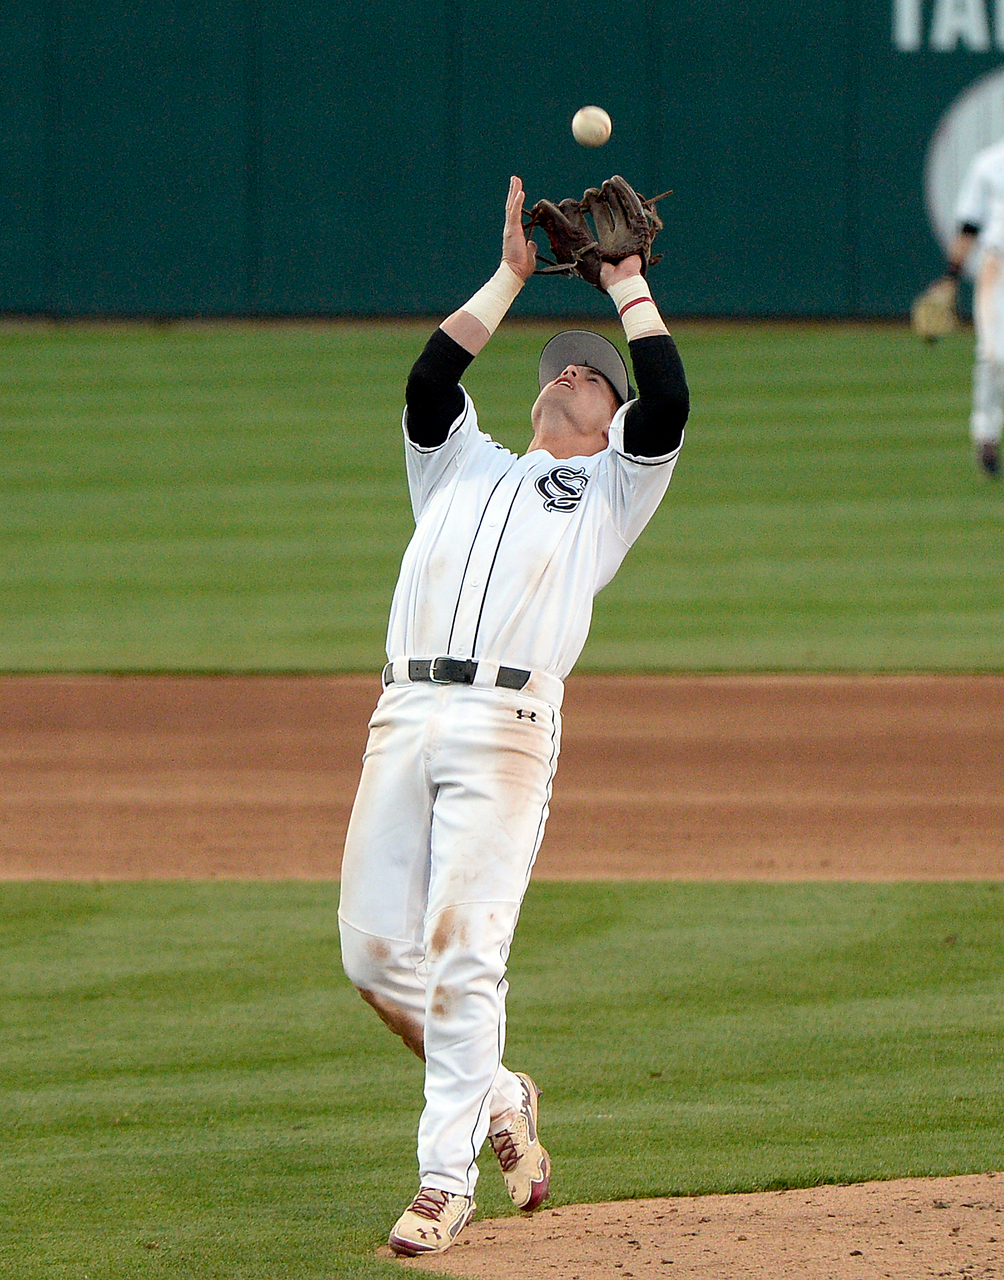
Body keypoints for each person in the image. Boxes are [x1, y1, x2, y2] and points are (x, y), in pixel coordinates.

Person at [337, 175, 690, 1258]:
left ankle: (444, 1180)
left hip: (503, 733)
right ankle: (498, 1094)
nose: (573, 372)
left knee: (462, 955)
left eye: (593, 374)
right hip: (401, 713)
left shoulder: (609, 496)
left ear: (610, 415)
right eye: (559, 368)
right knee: (370, 952)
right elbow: (432, 372)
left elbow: (668, 402)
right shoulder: (458, 463)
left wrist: (626, 285)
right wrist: (509, 278)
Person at [943, 138, 1004, 476]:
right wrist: (951, 277)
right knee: (994, 357)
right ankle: (986, 435)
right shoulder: (991, 162)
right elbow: (969, 224)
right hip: (999, 268)